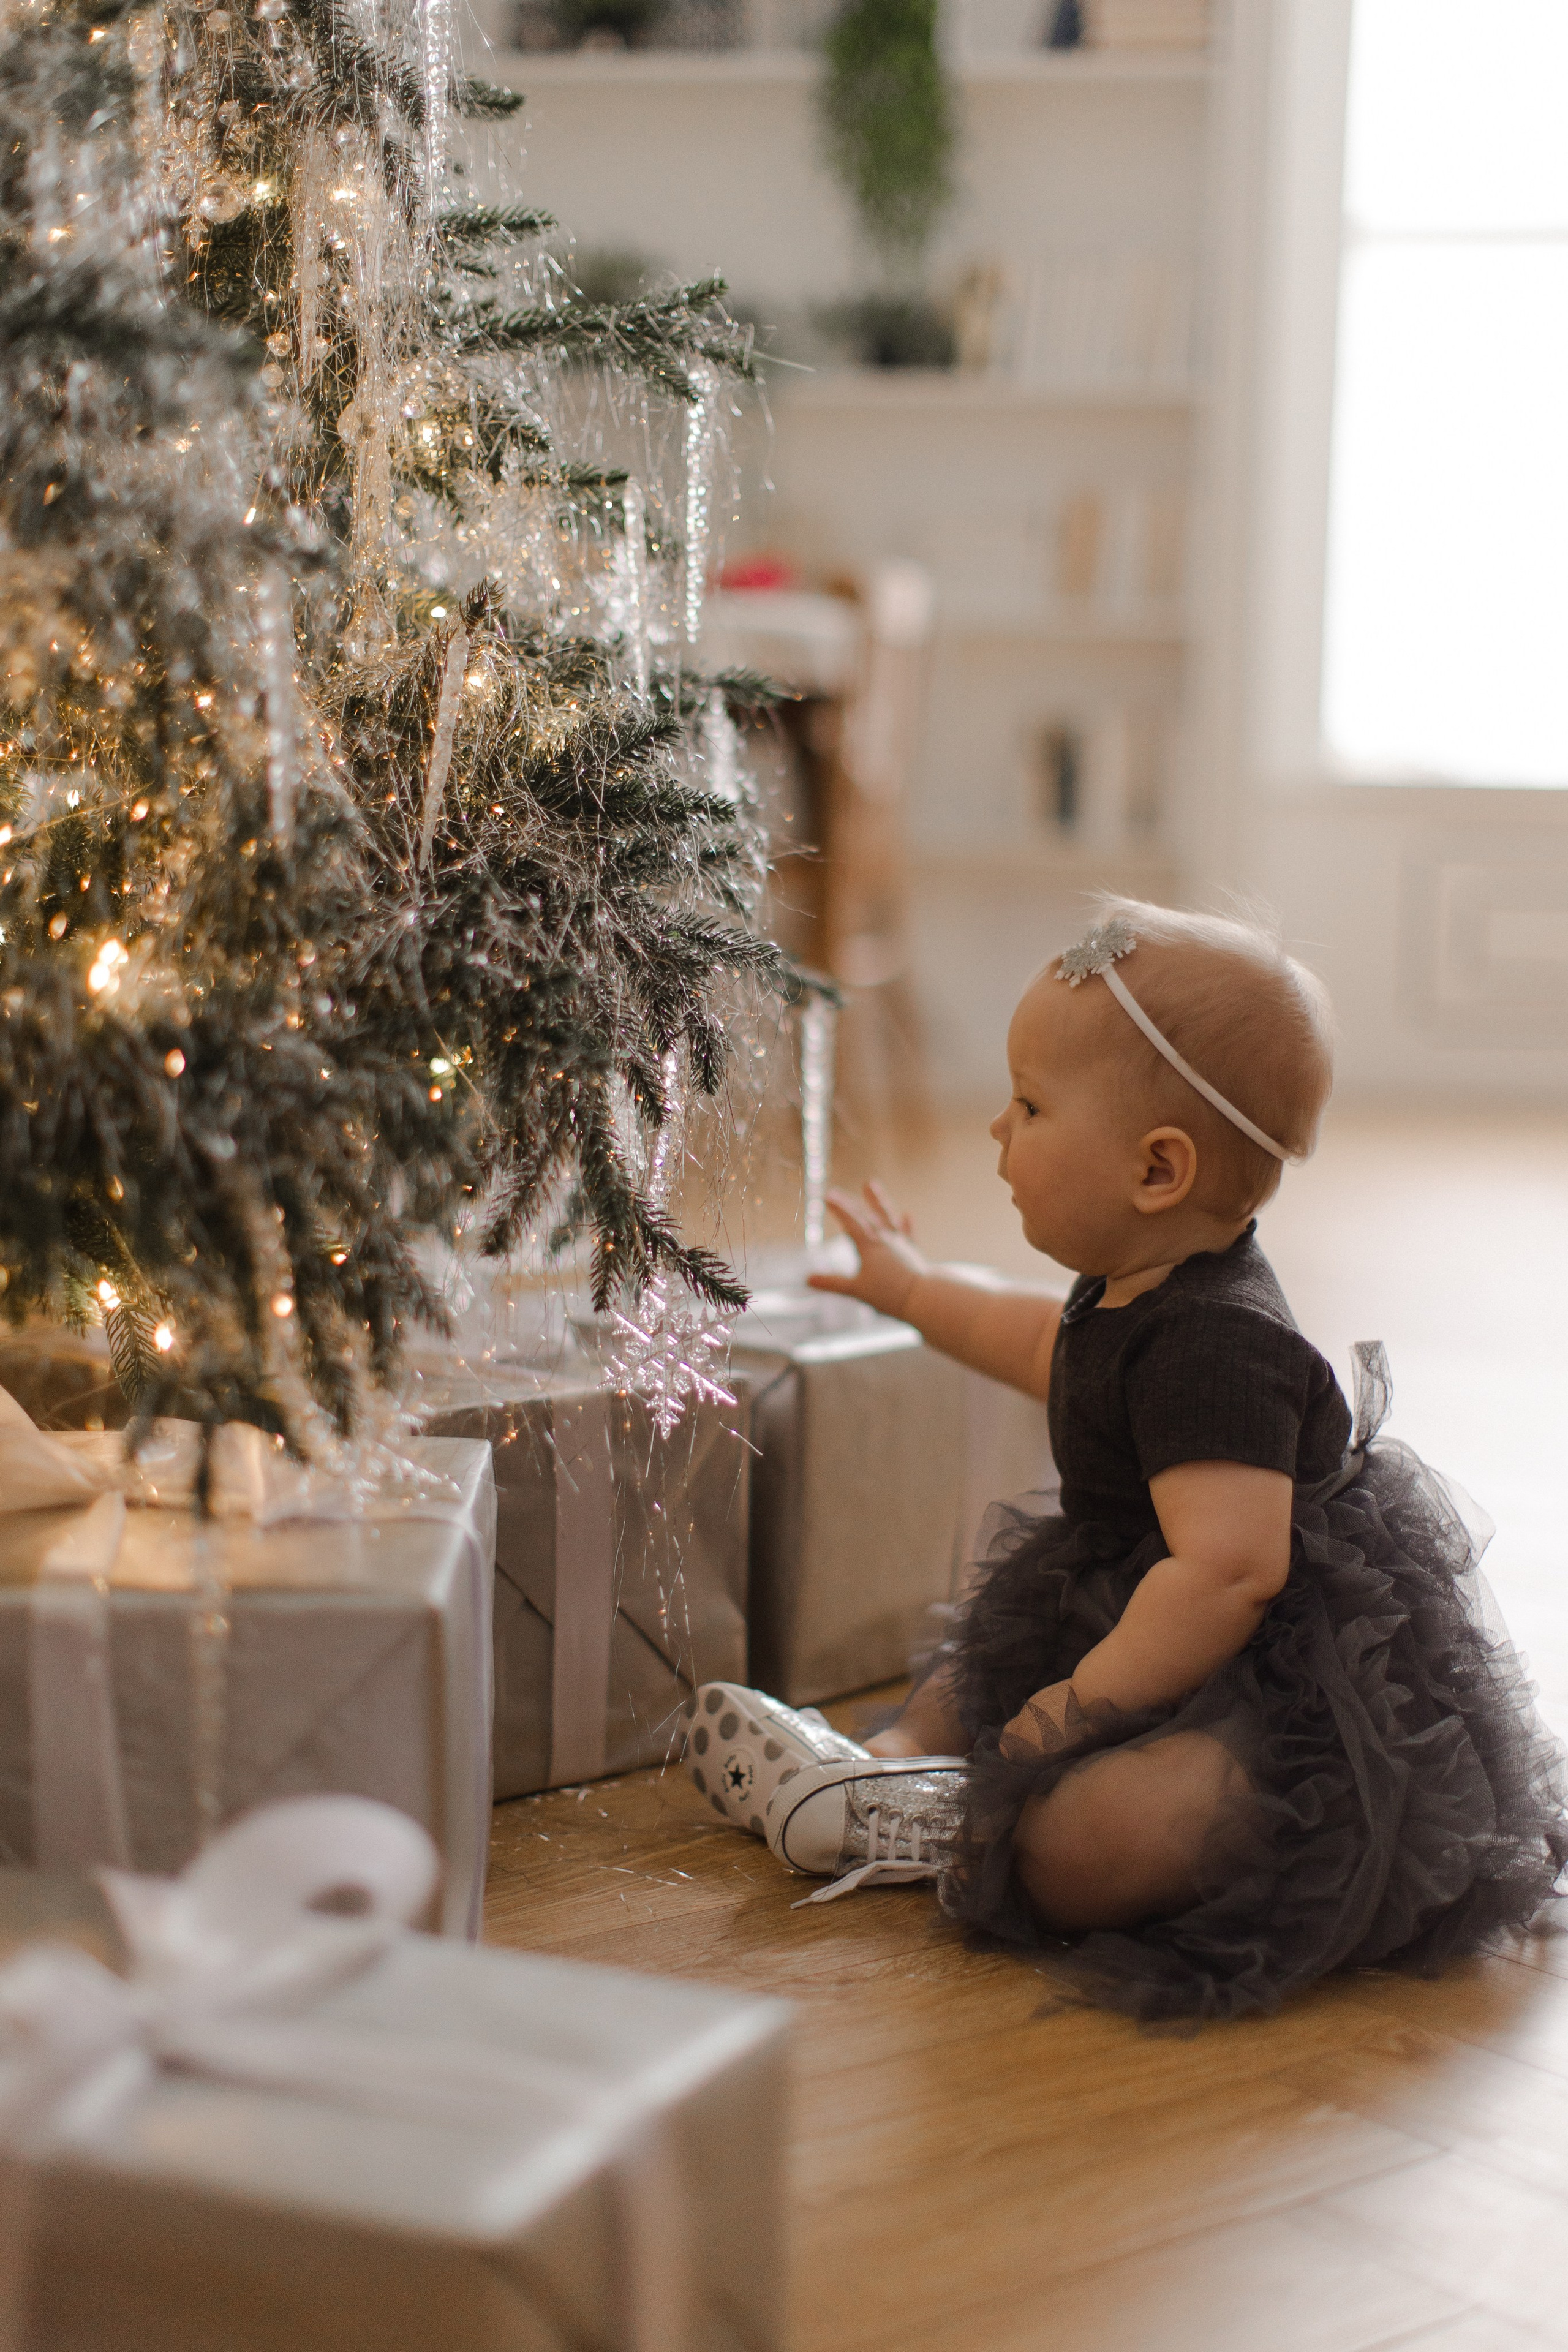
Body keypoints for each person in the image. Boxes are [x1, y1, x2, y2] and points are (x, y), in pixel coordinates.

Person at [681, 900, 1567, 2021]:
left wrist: (1079, 1704)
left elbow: (1230, 1574)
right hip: (1140, 1604)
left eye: (1030, 1105)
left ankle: (1023, 1822)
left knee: (1089, 1844)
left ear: (1157, 1169)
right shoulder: (1134, 1275)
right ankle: (881, 1774)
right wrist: (913, 1290)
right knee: (968, 1675)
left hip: (1272, 1675)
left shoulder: (1222, 1347)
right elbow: (1038, 1344)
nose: (996, 1129)